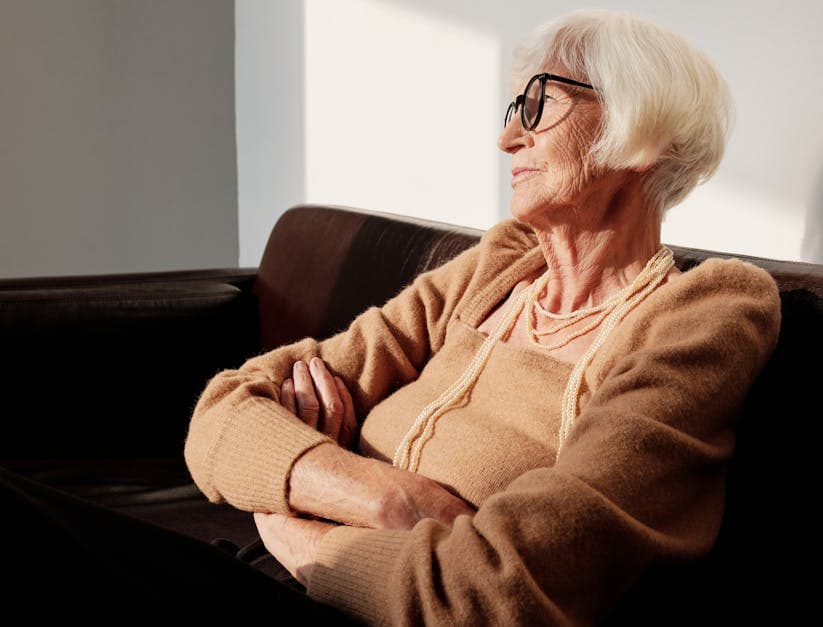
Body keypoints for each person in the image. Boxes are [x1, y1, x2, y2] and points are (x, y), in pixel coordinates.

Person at [8, 9, 779, 624]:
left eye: (539, 103)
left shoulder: (704, 311)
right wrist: (387, 499)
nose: (508, 135)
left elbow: (496, 591)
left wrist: (295, 526)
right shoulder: (499, 265)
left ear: (639, 132)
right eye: (515, 107)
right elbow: (219, 416)